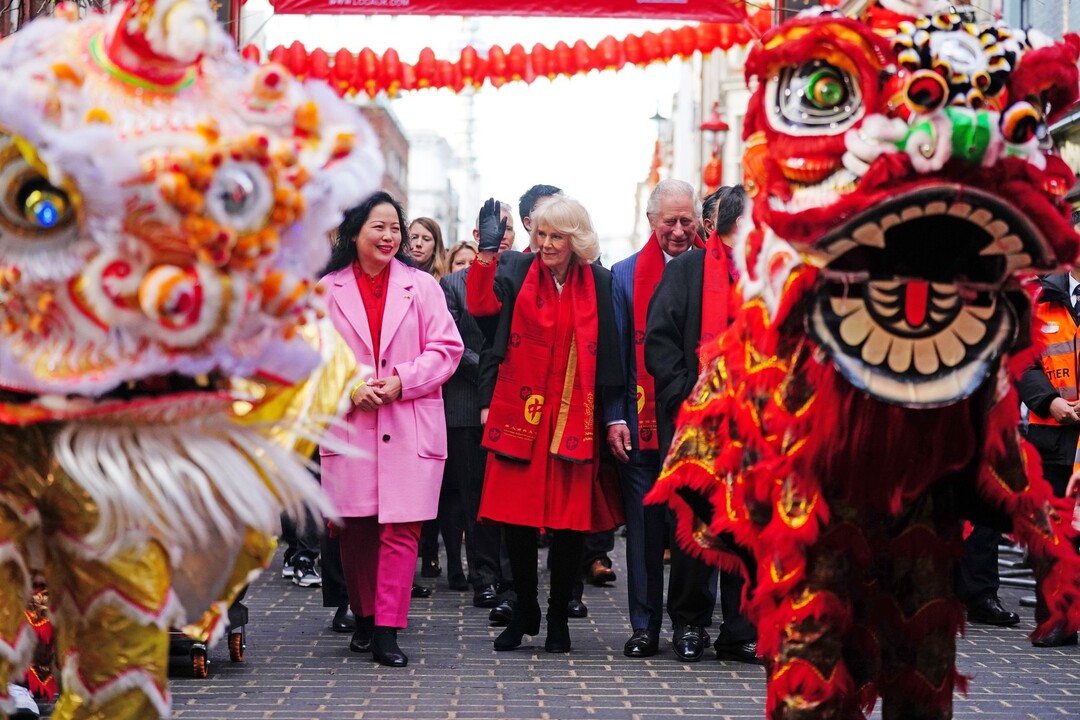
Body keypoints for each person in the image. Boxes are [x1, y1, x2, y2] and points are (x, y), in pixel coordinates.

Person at [467, 195, 623, 653]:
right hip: (522, 414)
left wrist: (614, 416)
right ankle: (525, 610)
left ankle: (558, 616)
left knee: (569, 525)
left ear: (576, 240)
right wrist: (488, 254)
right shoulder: (515, 270)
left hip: (574, 417)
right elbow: (479, 306)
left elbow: (611, 353)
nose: (548, 244)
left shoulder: (599, 280)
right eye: (541, 235)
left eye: (557, 236)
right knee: (516, 520)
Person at [319, 192, 464, 667]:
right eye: (378, 227)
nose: (389, 237)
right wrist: (349, 388)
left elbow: (447, 349)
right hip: (352, 423)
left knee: (401, 530)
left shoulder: (421, 286)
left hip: (409, 422)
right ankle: (363, 615)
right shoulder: (326, 290)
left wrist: (403, 381)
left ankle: (387, 629)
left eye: (394, 228)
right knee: (357, 528)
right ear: (354, 232)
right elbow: (311, 357)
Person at [644, 184, 759, 664]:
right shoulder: (689, 271)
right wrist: (680, 397)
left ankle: (742, 629)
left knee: (750, 529)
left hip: (756, 426)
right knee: (695, 526)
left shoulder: (768, 276)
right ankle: (689, 625)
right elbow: (660, 341)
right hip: (697, 422)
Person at [605, 179, 706, 660]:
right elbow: (616, 356)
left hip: (695, 430)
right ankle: (644, 625)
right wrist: (614, 418)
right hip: (640, 424)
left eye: (688, 220)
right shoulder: (623, 276)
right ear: (651, 222)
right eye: (671, 221)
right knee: (644, 533)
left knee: (691, 529)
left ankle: (690, 625)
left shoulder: (712, 272)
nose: (680, 230)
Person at [441, 205, 517, 611]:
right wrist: (494, 372)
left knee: (509, 495)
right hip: (467, 406)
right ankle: (483, 577)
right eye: (493, 228)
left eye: (506, 228)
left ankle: (510, 577)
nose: (501, 235)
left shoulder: (520, 276)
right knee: (474, 498)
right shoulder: (451, 284)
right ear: (477, 232)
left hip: (514, 407)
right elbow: (451, 343)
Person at [1017, 268, 1080, 647]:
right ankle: (1057, 619)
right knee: (1053, 532)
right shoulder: (1038, 299)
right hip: (1053, 436)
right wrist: (1050, 402)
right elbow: (1023, 361)